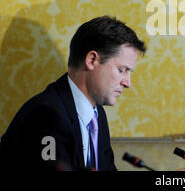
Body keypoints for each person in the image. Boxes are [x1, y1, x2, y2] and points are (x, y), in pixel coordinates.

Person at [0, 15, 146, 171]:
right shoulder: (46, 115)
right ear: (91, 60)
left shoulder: (97, 116)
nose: (127, 83)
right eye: (122, 70)